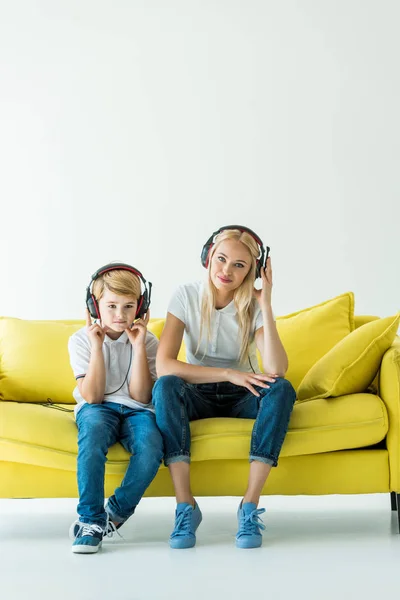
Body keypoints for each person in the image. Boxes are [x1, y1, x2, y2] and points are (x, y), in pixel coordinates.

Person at [152, 226, 296, 549]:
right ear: (208, 258)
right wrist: (228, 373)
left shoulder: (253, 305)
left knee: (282, 389)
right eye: (221, 259)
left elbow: (276, 368)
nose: (227, 271)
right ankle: (185, 505)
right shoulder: (186, 296)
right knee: (165, 387)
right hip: (197, 392)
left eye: (239, 265)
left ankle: (249, 505)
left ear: (252, 272)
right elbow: (164, 365)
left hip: (241, 395)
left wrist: (267, 305)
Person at [68, 263, 163, 553]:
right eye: (111, 306)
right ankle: (89, 520)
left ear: (141, 307)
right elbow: (94, 397)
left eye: (128, 306)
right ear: (94, 306)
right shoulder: (80, 341)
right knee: (93, 434)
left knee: (151, 446)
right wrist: (97, 347)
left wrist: (136, 347)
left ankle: (115, 513)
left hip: (137, 410)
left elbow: (141, 394)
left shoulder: (148, 341)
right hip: (98, 408)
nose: (120, 315)